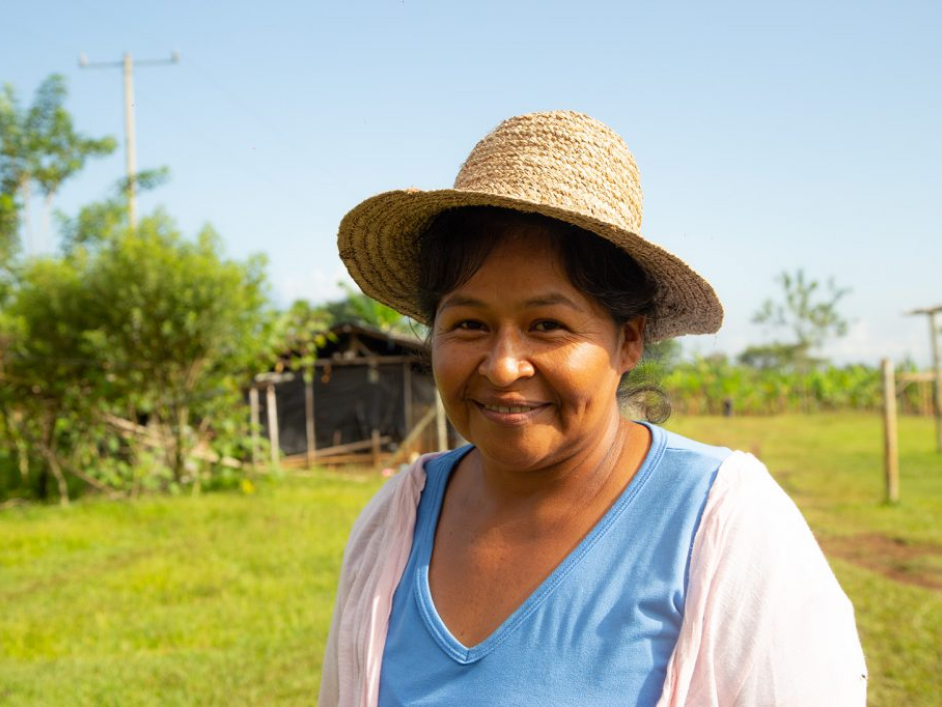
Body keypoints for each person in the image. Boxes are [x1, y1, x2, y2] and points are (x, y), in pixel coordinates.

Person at [320, 111, 866, 706]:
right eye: (468, 323)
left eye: (547, 325)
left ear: (628, 340)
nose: (503, 366)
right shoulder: (395, 521)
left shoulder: (725, 524)